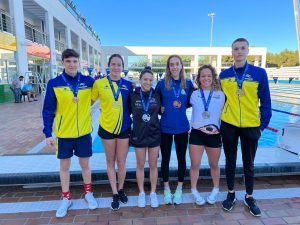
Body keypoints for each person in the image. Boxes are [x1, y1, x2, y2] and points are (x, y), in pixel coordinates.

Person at [42, 49, 98, 218]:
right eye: (68, 61)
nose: (72, 64)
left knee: (85, 165)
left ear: (78, 62)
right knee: (64, 167)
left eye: (75, 61)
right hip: (64, 133)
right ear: (63, 63)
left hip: (83, 133)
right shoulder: (54, 83)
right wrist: (48, 133)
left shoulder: (88, 81)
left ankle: (88, 193)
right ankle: (66, 198)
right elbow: (48, 110)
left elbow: (99, 96)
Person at [220, 38, 272, 217]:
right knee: (230, 161)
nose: (239, 51)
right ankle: (231, 193)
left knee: (249, 163)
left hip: (251, 126)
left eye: (242, 48)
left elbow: (266, 103)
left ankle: (249, 196)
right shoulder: (224, 75)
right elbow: (219, 100)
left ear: (248, 51)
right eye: (236, 49)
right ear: (232, 52)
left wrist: (261, 127)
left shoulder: (259, 73)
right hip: (229, 124)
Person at [92, 54, 133, 210]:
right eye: (113, 64)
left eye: (119, 65)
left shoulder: (129, 85)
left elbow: (133, 106)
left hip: (124, 128)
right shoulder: (99, 83)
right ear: (109, 66)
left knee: (121, 162)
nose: (116, 67)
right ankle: (114, 192)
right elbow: (88, 101)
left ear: (122, 67)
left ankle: (121, 188)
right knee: (110, 161)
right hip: (107, 128)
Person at [155, 55, 194, 205]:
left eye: (177, 64)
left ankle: (179, 188)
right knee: (165, 158)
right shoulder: (161, 84)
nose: (174, 67)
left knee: (181, 158)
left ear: (181, 66)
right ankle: (166, 188)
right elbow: (154, 102)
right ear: (168, 67)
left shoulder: (188, 83)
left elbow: (194, 100)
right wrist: (160, 109)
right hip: (165, 127)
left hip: (182, 127)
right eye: (171, 64)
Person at [189, 65, 225, 206]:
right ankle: (194, 190)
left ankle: (215, 189)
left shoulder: (221, 95)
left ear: (213, 77)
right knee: (195, 164)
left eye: (209, 75)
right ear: (199, 78)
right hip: (197, 134)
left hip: (214, 134)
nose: (206, 78)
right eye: (203, 76)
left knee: (214, 164)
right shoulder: (194, 94)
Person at [129, 66, 161, 208]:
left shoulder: (157, 95)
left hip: (154, 134)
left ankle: (153, 193)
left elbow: (162, 110)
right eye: (145, 79)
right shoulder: (133, 95)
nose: (148, 82)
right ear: (140, 80)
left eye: (150, 80)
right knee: (140, 165)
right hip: (138, 135)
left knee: (153, 165)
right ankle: (142, 193)